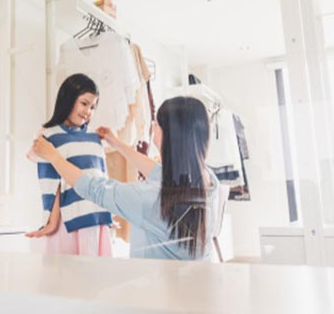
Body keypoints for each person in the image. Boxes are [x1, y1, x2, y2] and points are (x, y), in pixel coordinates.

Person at [32, 96, 220, 260]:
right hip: (197, 288)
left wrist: (53, 156)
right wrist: (117, 143)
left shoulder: (150, 199)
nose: (153, 127)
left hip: (157, 293)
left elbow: (94, 188)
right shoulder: (210, 181)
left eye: (157, 125)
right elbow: (156, 171)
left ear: (167, 136)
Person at [26, 73, 113, 257]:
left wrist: (107, 213)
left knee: (98, 281)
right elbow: (51, 183)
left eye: (93, 107)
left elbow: (101, 178)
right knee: (65, 280)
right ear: (68, 99)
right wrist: (52, 222)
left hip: (96, 221)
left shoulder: (94, 137)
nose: (88, 111)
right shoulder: (50, 135)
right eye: (84, 103)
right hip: (68, 223)